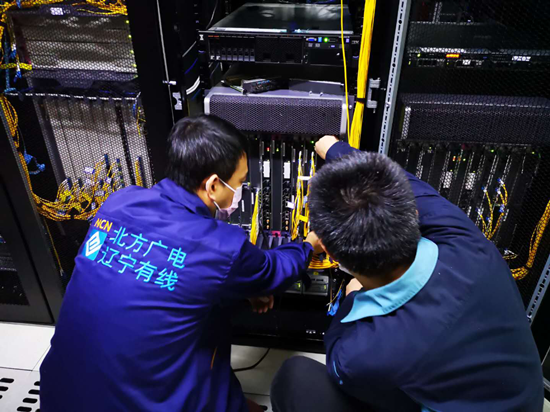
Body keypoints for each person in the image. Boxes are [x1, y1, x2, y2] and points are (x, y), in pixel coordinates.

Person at [40, 115, 320, 412]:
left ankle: (229, 398)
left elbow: (171, 280)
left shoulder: (119, 202)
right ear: (213, 185)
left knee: (199, 312)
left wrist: (242, 285)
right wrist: (308, 245)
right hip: (144, 406)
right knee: (210, 331)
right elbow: (274, 270)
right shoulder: (221, 245)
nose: (240, 190)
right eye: (239, 182)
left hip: (60, 396)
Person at [271, 136, 543, 412]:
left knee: (295, 380)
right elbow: (406, 181)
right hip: (523, 399)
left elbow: (339, 361)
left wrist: (352, 298)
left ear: (329, 251)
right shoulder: (463, 236)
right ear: (413, 211)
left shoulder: (359, 355)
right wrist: (334, 148)